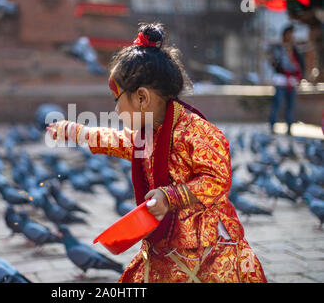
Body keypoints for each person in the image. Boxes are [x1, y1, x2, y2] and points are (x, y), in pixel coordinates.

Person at [47, 23, 267, 283]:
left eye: (117, 99)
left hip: (207, 249)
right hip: (166, 244)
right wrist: (77, 132)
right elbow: (120, 141)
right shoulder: (150, 132)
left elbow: (218, 180)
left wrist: (170, 195)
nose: (116, 109)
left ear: (141, 97)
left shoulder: (197, 133)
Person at [268, 25, 305, 135]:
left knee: (290, 106)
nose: (291, 36)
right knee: (277, 104)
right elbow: (275, 63)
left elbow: (300, 64)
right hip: (281, 81)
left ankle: (289, 127)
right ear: (285, 35)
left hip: (292, 82)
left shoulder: (294, 49)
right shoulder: (279, 48)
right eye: (290, 34)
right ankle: (272, 125)